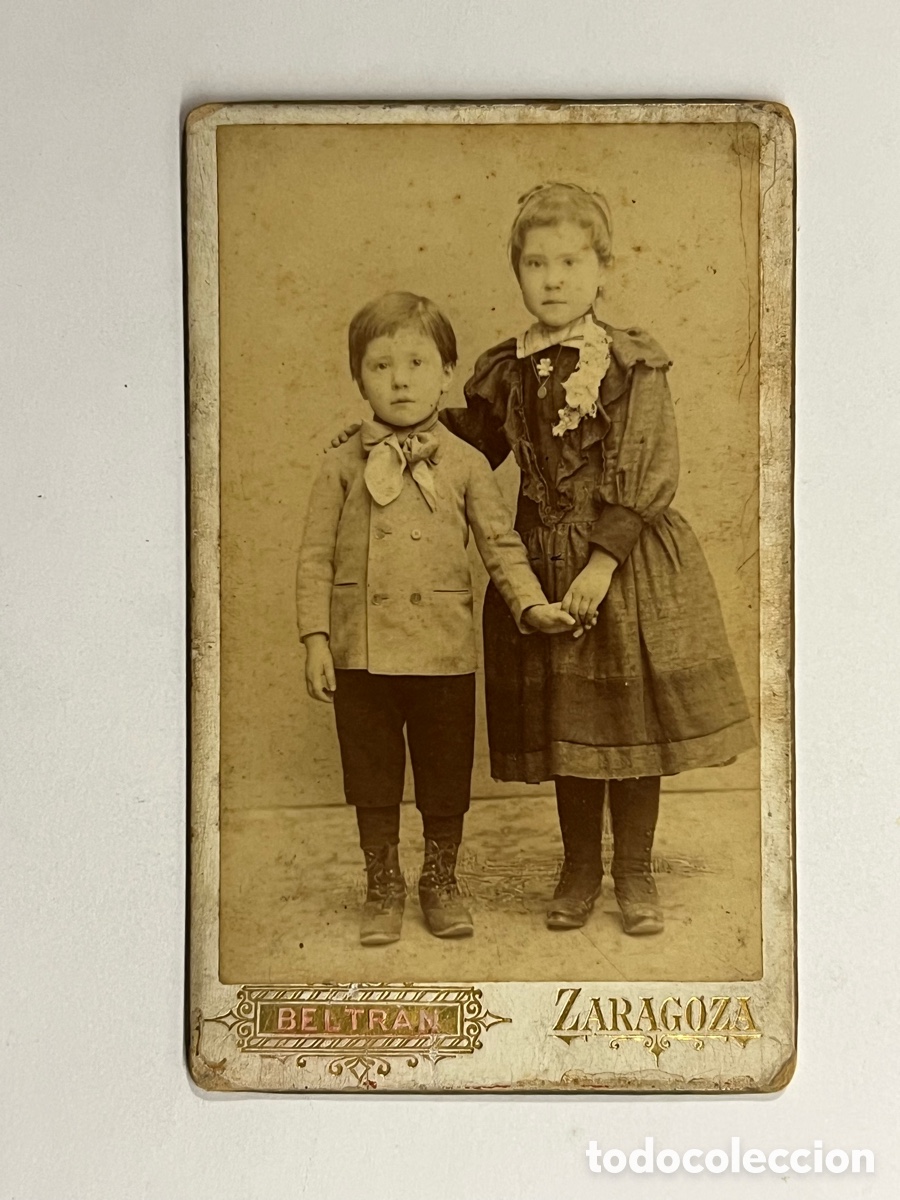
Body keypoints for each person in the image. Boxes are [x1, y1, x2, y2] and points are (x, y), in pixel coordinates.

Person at [437, 182, 757, 936]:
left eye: (571, 262)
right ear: (517, 271)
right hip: (540, 565)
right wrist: (392, 435)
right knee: (569, 729)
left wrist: (601, 563)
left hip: (621, 562)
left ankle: (635, 872)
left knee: (628, 727)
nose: (554, 278)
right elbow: (470, 448)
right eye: (537, 263)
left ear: (602, 268)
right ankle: (580, 868)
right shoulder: (505, 371)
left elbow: (649, 468)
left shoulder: (628, 362)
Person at [297, 290, 577, 948]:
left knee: (445, 773)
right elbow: (312, 556)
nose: (400, 380)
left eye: (418, 363)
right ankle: (382, 883)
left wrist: (531, 605)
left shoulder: (466, 463)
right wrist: (315, 636)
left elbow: (501, 546)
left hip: (442, 650)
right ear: (357, 375)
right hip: (360, 650)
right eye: (381, 366)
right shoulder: (340, 465)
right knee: (371, 773)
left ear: (447, 372)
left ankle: (439, 880)